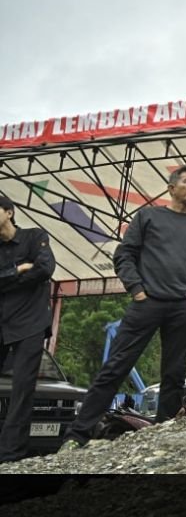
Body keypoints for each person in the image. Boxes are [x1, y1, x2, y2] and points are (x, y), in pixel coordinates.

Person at [63, 165, 186, 449]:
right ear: (171, 188)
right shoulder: (148, 217)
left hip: (184, 307)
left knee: (174, 374)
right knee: (115, 367)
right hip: (147, 303)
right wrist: (137, 290)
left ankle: (164, 436)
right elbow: (124, 255)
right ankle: (77, 436)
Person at [0, 195, 57, 462]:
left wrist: (7, 281)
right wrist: (17, 270)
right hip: (3, 322)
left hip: (30, 322)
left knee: (22, 389)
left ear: (9, 212)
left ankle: (9, 455)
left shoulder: (35, 237)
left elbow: (45, 269)